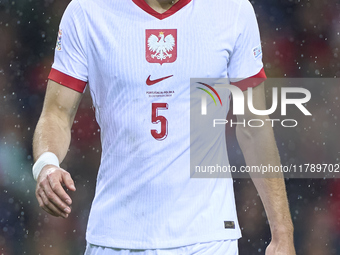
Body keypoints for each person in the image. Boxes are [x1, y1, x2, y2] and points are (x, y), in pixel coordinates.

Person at [32, 0, 296, 254]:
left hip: (208, 236)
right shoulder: (87, 12)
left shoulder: (233, 10)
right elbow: (56, 113)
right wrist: (46, 163)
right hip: (117, 235)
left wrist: (282, 233)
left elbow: (254, 127)